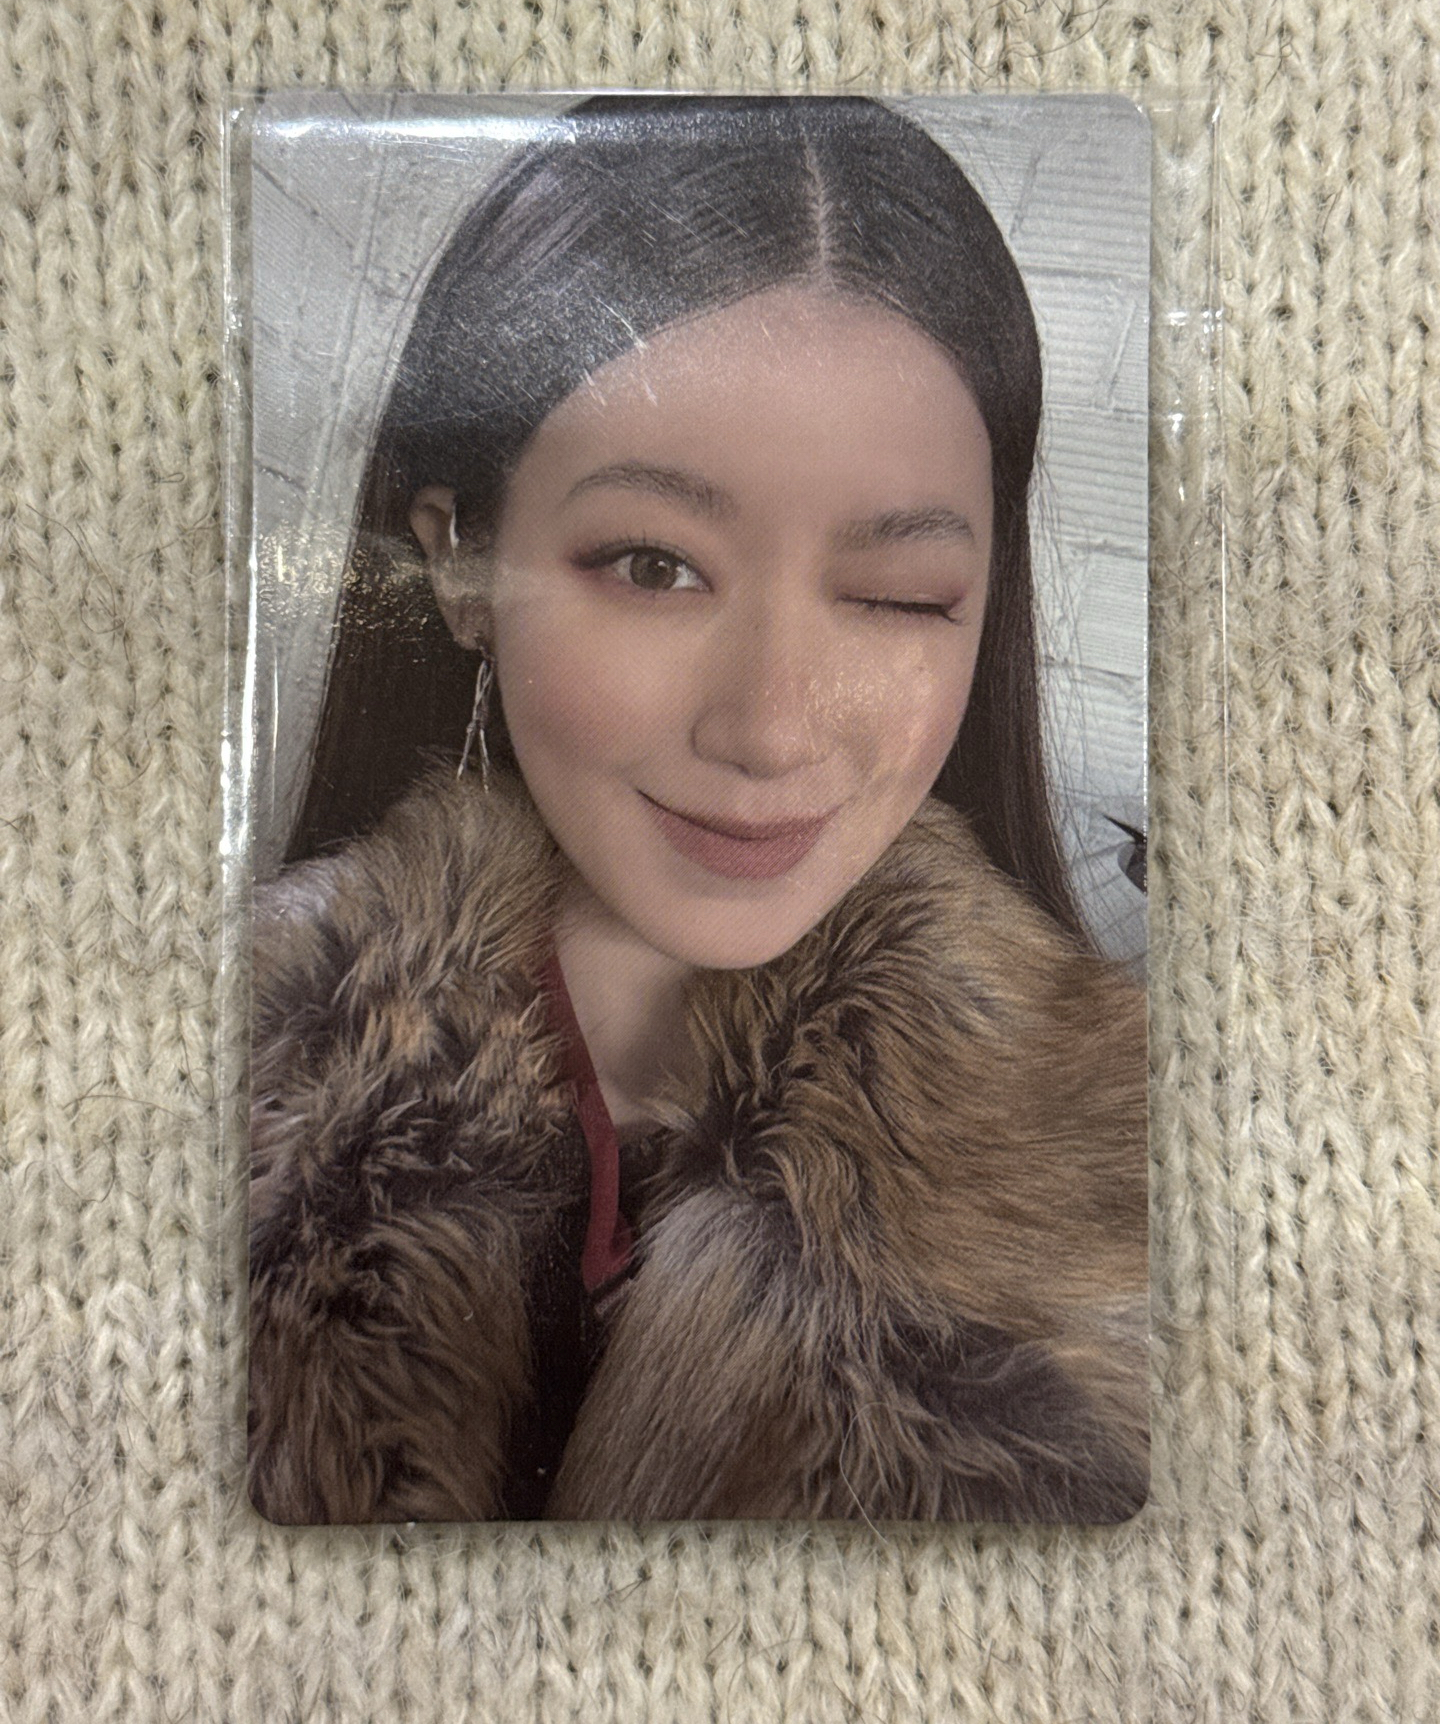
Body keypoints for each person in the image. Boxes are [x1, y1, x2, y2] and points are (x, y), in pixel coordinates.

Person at [246, 95, 1148, 1525]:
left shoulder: (1144, 1175)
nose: (770, 728)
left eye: (897, 597)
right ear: (461, 562)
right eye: (653, 567)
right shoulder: (184, 1083)